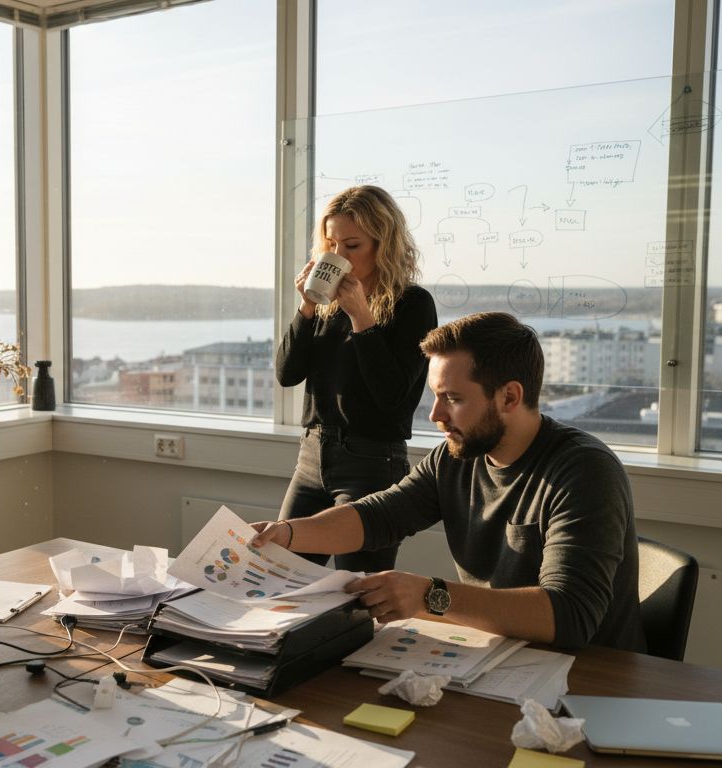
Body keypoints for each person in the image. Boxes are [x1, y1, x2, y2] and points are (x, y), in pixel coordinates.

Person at [253, 312, 645, 652]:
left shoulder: (585, 471)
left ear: (509, 397)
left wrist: (428, 595)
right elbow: (380, 515)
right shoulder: (458, 455)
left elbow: (570, 616)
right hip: (496, 656)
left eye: (452, 398)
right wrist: (285, 534)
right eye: (435, 397)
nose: (435, 414)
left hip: (588, 679)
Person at [275, 185, 437, 573]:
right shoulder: (326, 307)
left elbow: (394, 398)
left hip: (372, 462)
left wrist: (363, 319)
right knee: (275, 575)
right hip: (312, 457)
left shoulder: (412, 305)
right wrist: (308, 306)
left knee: (359, 592)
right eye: (330, 244)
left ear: (384, 245)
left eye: (352, 246)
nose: (337, 257)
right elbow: (287, 373)